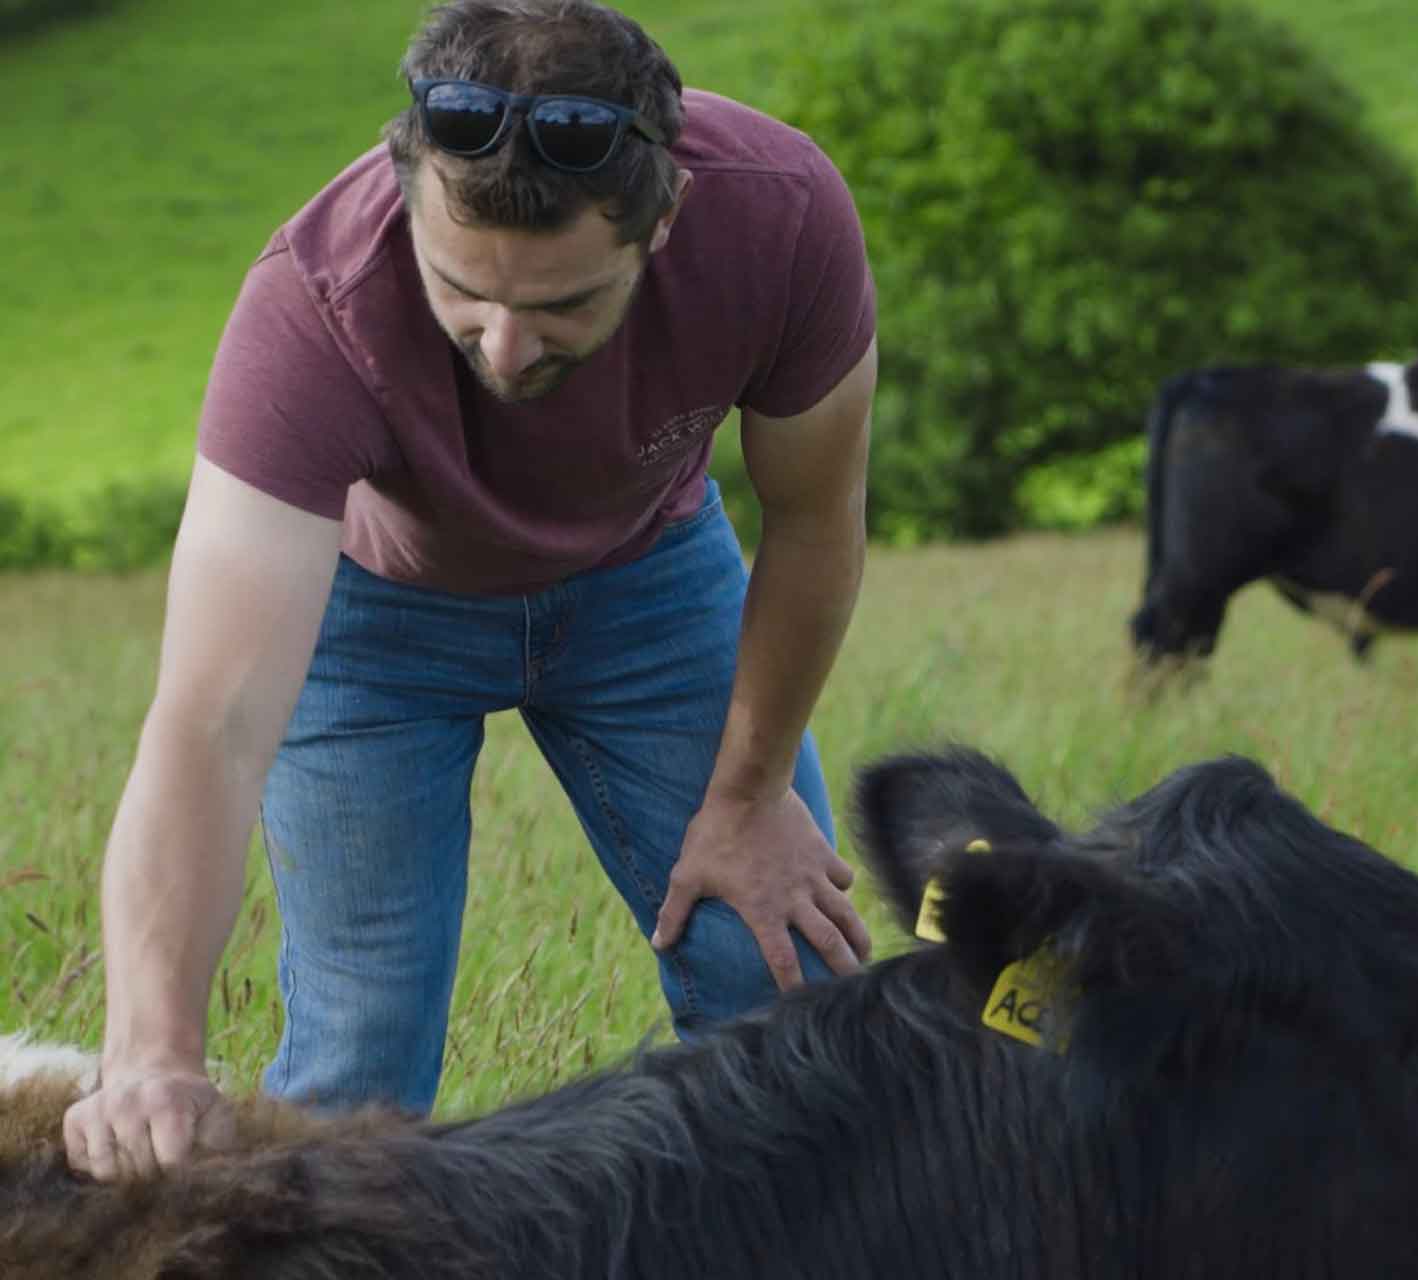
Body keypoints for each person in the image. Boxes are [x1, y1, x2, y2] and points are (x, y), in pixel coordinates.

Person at [63, 0, 877, 1180]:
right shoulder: (309, 309)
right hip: (374, 621)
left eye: (561, 306)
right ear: (407, 196)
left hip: (648, 580)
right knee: (360, 1062)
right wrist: (149, 1049)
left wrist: (749, 793)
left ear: (664, 222)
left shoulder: (781, 217)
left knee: (784, 966)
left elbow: (813, 519)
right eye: (462, 292)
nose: (501, 347)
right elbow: (212, 722)